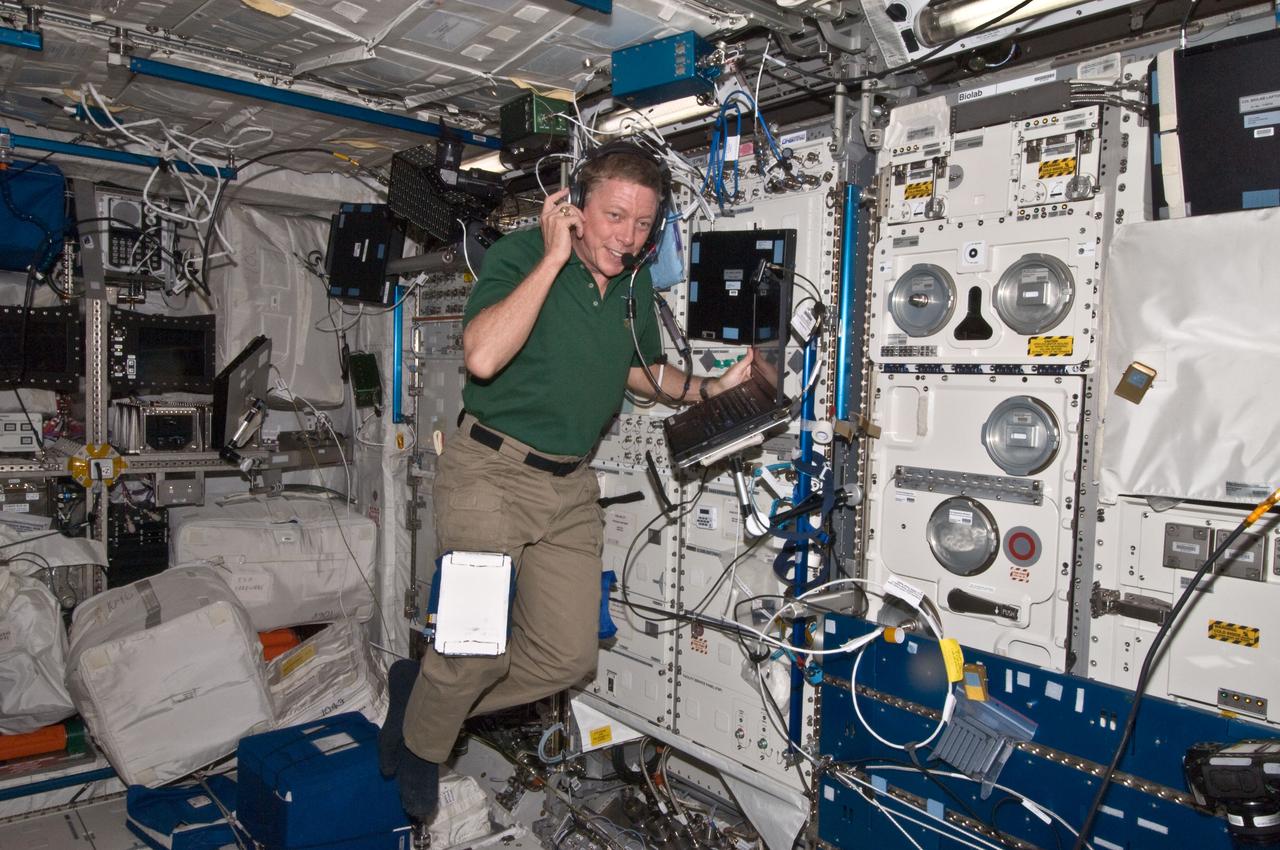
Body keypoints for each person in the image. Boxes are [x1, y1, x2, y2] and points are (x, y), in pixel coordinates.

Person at [379, 144, 754, 819]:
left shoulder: (634, 281)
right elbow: (484, 357)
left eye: (644, 224)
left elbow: (641, 369)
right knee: (472, 652)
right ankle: (425, 742)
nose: (629, 237)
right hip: (490, 473)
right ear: (575, 208)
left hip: (568, 486)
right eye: (614, 217)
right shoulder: (522, 257)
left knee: (564, 657)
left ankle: (421, 696)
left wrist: (708, 388)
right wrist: (553, 258)